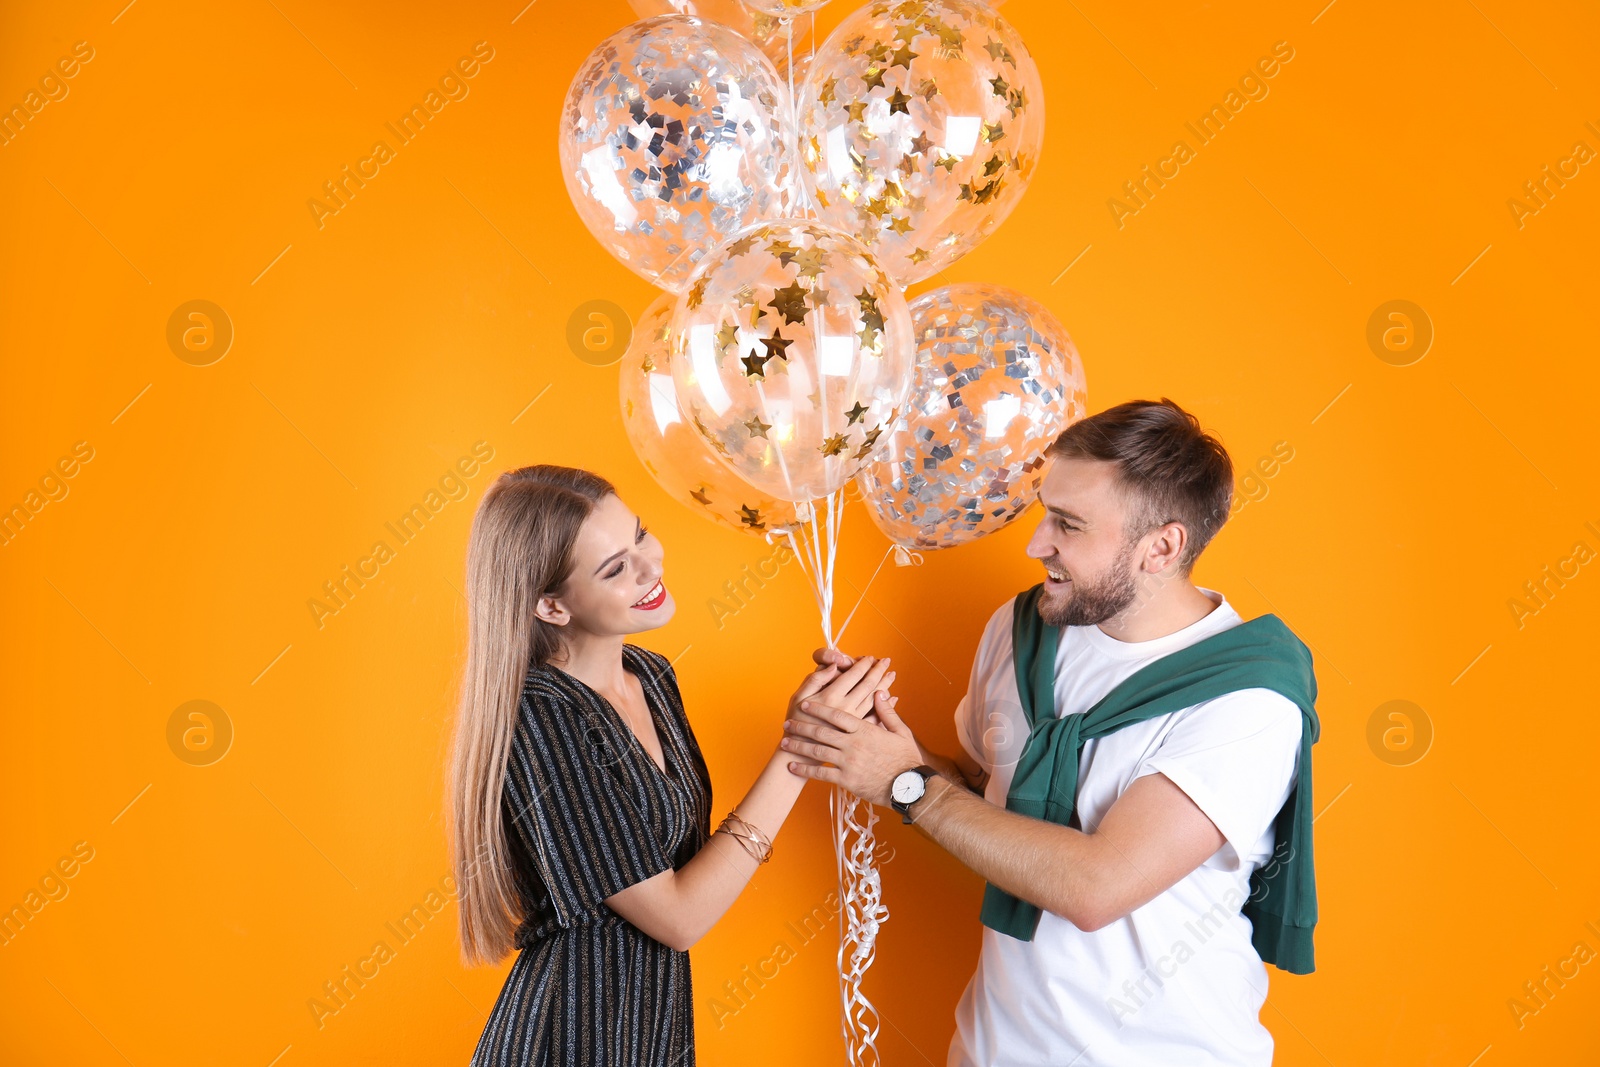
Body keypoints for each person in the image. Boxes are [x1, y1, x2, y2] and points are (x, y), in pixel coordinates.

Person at [782, 399, 1321, 1066]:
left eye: (1067, 524)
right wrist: (879, 745)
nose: (1036, 543)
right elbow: (987, 798)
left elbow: (1097, 885)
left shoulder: (1247, 697)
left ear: (1162, 547)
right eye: (1045, 512)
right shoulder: (1018, 629)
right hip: (993, 1049)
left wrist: (901, 780)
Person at [447, 464, 895, 1067]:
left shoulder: (653, 677)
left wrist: (813, 728)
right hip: (573, 1040)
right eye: (615, 568)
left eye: (639, 535)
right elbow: (680, 916)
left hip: (654, 1035)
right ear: (550, 606)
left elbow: (691, 869)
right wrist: (801, 750)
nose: (649, 566)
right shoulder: (541, 716)